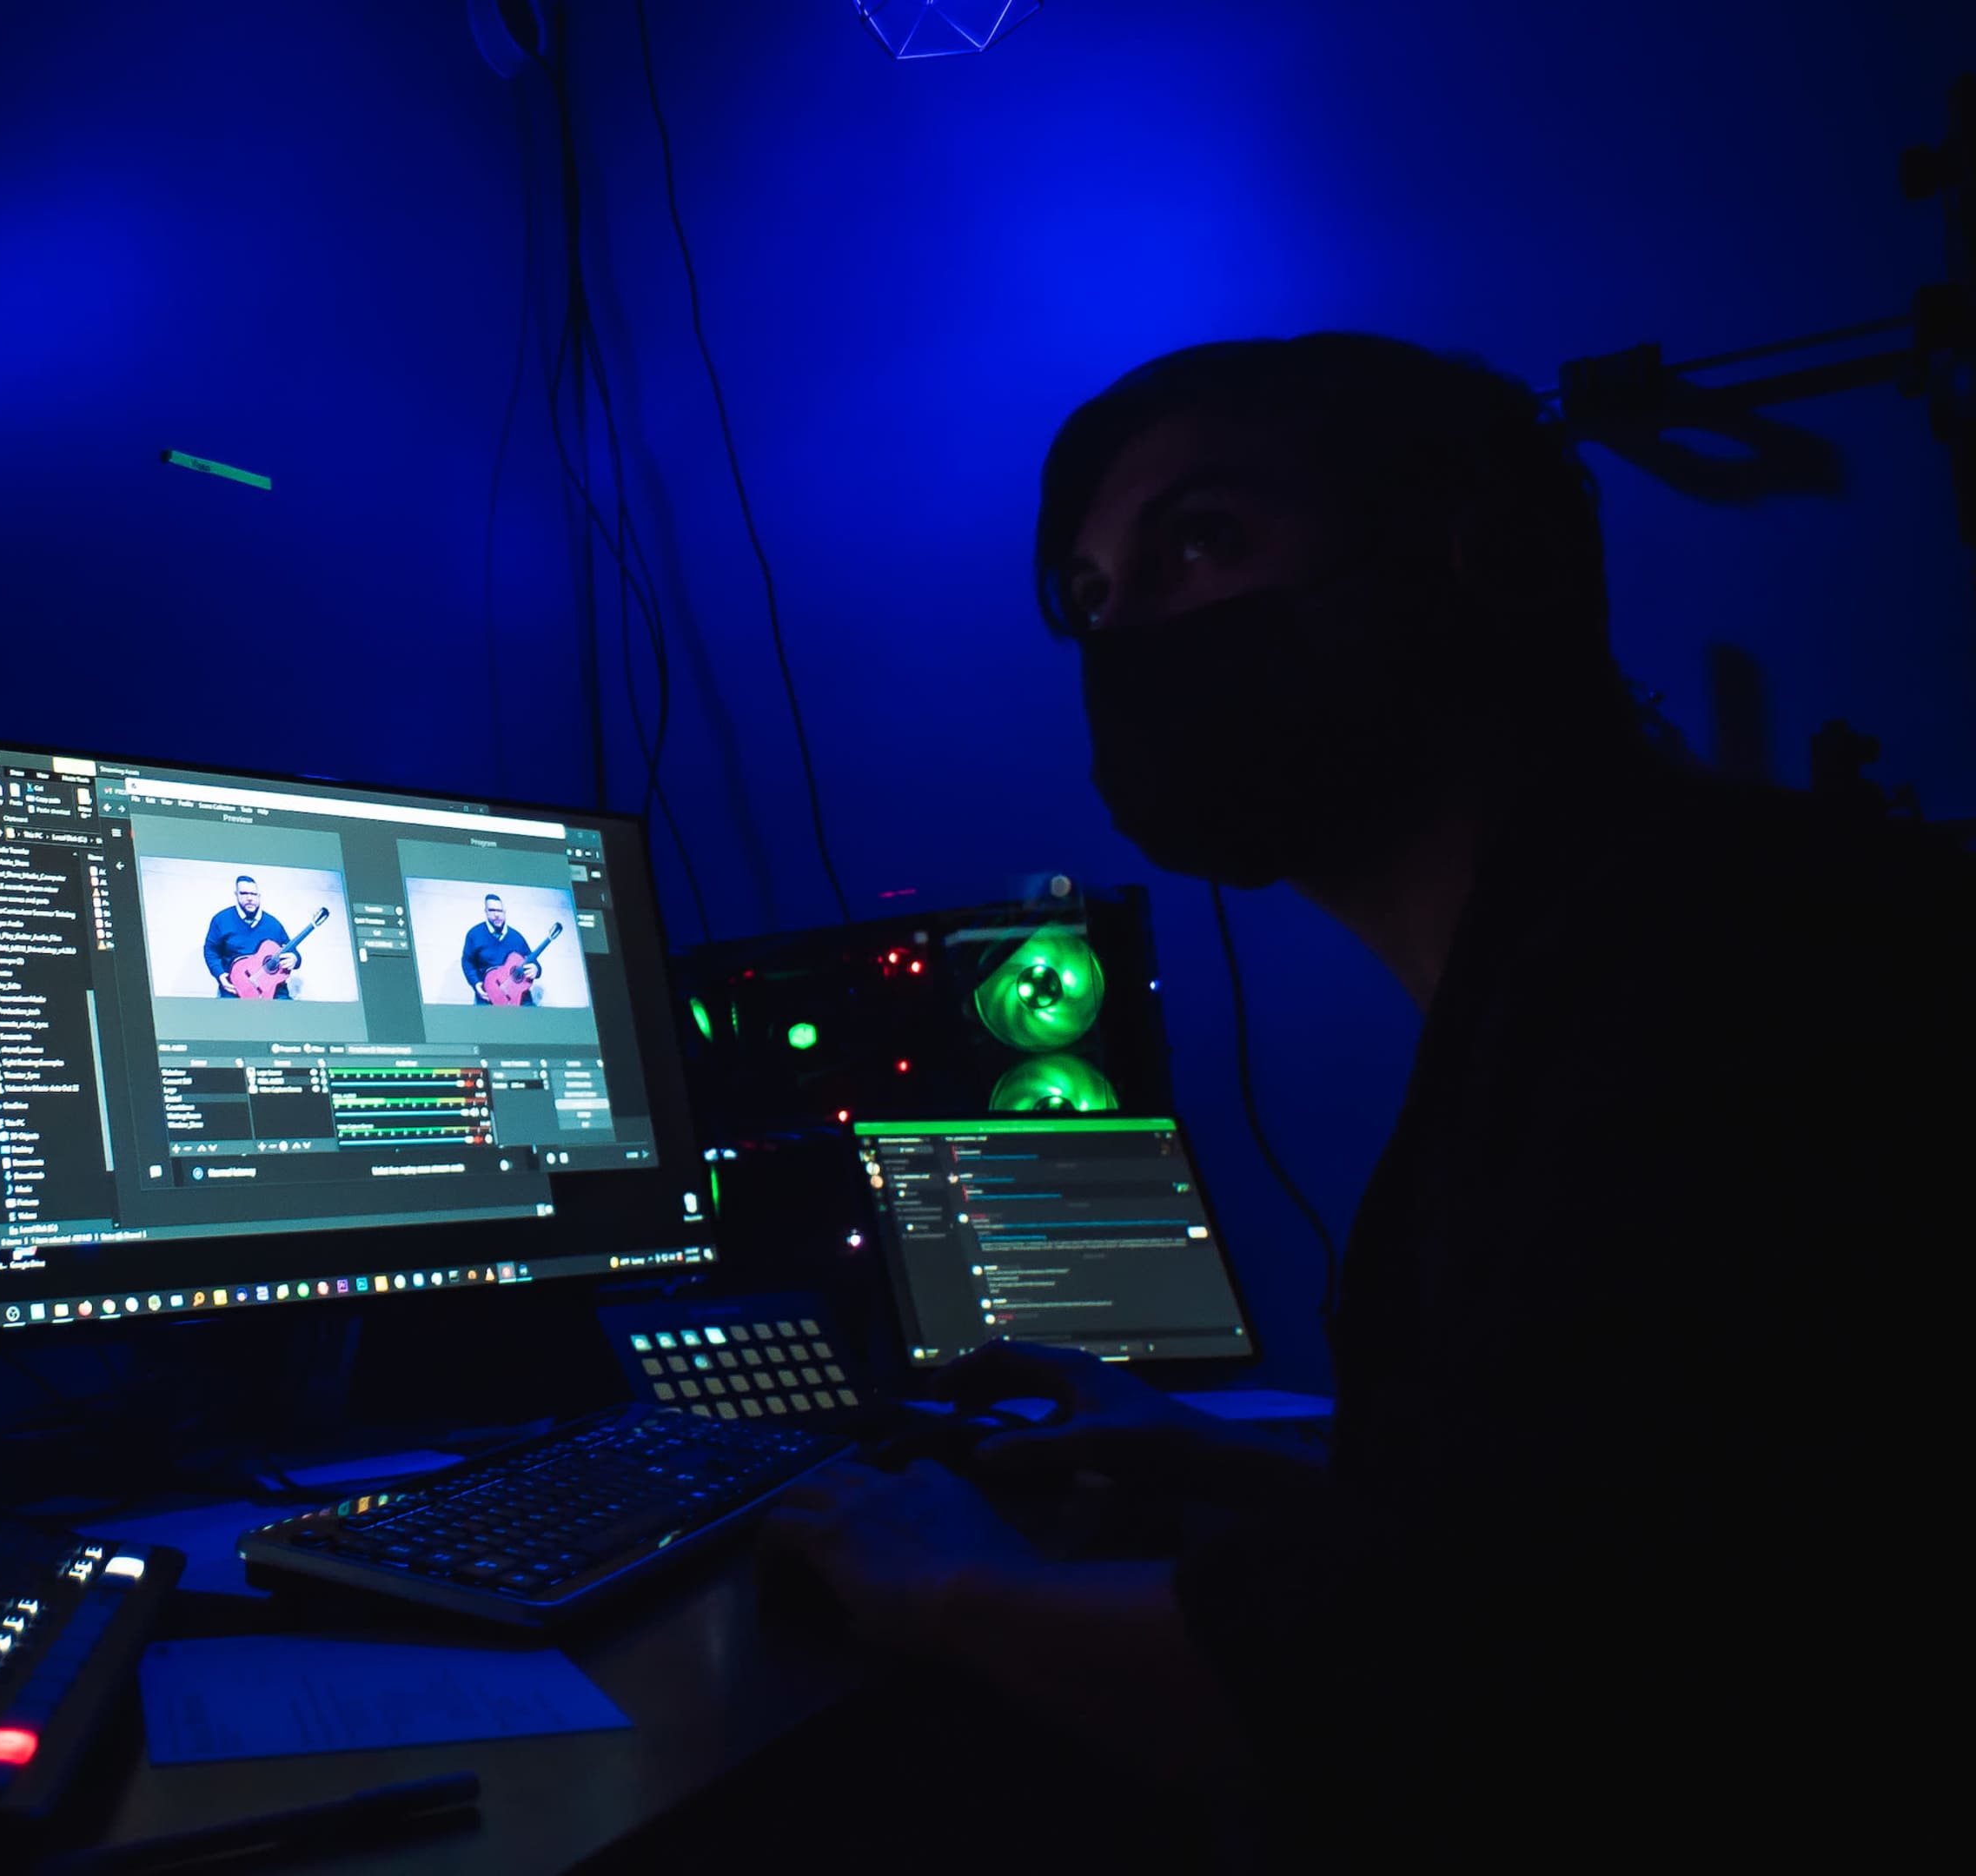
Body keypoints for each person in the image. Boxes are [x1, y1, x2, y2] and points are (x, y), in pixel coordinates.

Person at [759, 333, 1969, 1866]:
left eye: (1203, 537)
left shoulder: (1729, 976)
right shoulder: (1601, 961)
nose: (1130, 637)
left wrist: (946, 1577)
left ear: (1484, 549)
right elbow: (1624, 1528)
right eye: (1091, 600)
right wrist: (1238, 1458)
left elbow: (1455, 1700)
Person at [202, 875, 295, 998]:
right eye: (244, 893)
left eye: (253, 894)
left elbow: (291, 950)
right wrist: (219, 974)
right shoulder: (221, 920)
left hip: (271, 988)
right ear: (236, 894)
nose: (250, 898)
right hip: (235, 988)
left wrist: (294, 959)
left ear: (259, 896)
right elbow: (211, 951)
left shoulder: (273, 924)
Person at [459, 893, 536, 1004]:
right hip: (488, 997)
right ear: (486, 911)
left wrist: (536, 969)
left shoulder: (517, 938)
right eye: (492, 910)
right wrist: (475, 983)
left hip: (517, 998)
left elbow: (533, 961)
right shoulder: (474, 935)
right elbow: (467, 963)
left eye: (499, 911)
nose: (496, 915)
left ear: (505, 912)